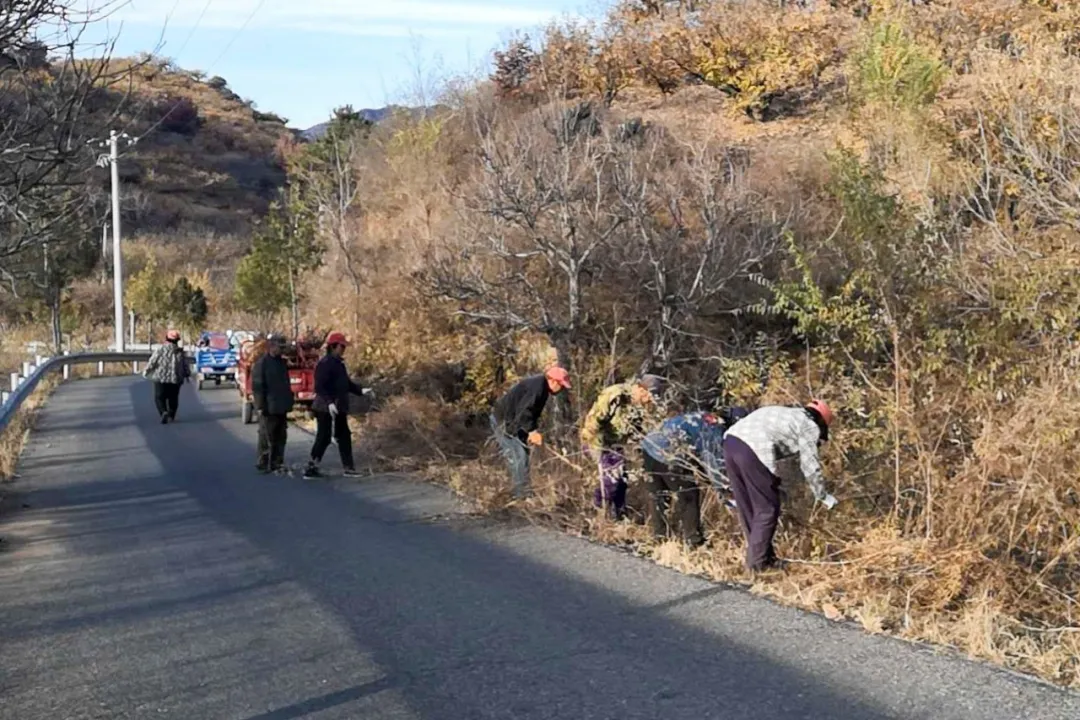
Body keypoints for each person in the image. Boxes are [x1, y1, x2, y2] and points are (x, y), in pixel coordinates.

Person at [722, 400, 838, 571]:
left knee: (748, 506)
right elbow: (810, 466)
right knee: (767, 508)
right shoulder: (809, 425)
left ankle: (764, 558)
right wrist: (823, 495)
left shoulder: (786, 413)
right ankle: (758, 565)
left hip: (730, 442)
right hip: (752, 449)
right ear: (821, 422)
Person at [640, 407, 749, 547]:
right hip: (669, 451)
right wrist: (728, 495)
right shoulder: (715, 429)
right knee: (688, 496)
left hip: (649, 445)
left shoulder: (704, 416)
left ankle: (659, 537)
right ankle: (693, 540)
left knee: (658, 495)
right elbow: (715, 467)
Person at [580, 374, 666, 518]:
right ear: (641, 390)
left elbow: (637, 431)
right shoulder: (616, 395)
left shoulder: (639, 406)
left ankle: (619, 515)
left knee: (621, 482)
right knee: (610, 480)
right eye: (649, 396)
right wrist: (598, 449)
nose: (650, 401)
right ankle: (598, 514)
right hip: (599, 441)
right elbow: (594, 421)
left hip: (616, 444)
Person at [489, 366, 572, 499]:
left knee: (523, 456)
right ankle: (521, 495)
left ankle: (523, 491)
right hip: (504, 421)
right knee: (519, 457)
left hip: (514, 422)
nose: (562, 389)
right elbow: (525, 411)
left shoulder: (542, 388)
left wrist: (530, 431)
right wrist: (532, 431)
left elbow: (531, 414)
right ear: (553, 381)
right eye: (561, 385)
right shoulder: (537, 387)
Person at [303, 332, 366, 479]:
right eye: (341, 346)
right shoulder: (325, 364)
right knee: (324, 437)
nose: (343, 349)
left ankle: (349, 468)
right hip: (325, 407)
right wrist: (329, 402)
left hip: (339, 406)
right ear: (333, 347)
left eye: (344, 347)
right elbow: (319, 387)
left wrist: (361, 391)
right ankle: (311, 467)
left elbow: (346, 384)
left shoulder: (339, 364)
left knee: (344, 436)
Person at [252, 333, 293, 473]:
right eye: (280, 347)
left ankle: (277, 462)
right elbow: (258, 386)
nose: (282, 350)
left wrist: (289, 401)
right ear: (272, 346)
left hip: (281, 405)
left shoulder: (282, 363)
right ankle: (263, 462)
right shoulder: (262, 364)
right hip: (268, 407)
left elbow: (285, 384)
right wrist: (260, 406)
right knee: (266, 435)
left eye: (283, 347)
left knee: (281, 436)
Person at [142, 329, 190, 423]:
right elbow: (185, 365)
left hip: (160, 378)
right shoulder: (179, 351)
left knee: (159, 397)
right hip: (175, 379)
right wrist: (187, 373)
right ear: (177, 340)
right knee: (173, 397)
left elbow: (152, 362)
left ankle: (163, 412)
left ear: (166, 338)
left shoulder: (160, 349)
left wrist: (146, 371)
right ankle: (171, 414)